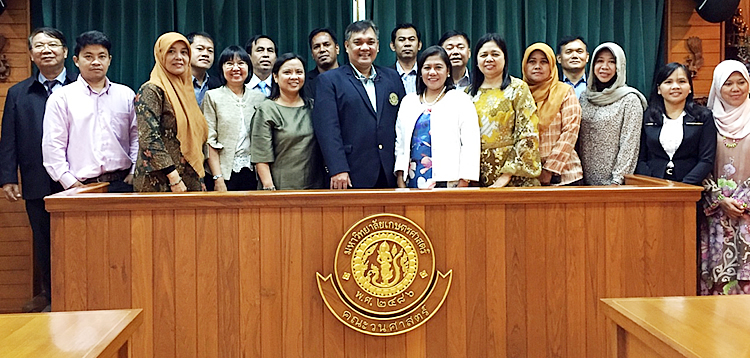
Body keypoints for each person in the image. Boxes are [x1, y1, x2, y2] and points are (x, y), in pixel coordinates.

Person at [0, 27, 75, 311]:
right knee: (44, 241)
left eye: (53, 44)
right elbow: (10, 137)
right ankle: (52, 296)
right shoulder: (19, 93)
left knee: (79, 238)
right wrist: (8, 176)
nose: (46, 50)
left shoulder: (80, 89)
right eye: (39, 45)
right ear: (31, 54)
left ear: (66, 53)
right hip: (37, 179)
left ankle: (81, 292)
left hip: (77, 179)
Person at [312, 20, 406, 189]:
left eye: (370, 42)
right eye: (358, 43)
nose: (364, 48)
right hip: (350, 173)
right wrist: (338, 168)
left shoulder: (392, 78)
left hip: (390, 171)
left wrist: (402, 168)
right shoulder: (329, 81)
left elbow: (403, 125)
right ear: (347, 46)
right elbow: (327, 129)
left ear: (377, 46)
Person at [42, 30, 137, 193]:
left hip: (123, 183)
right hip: (80, 186)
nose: (96, 62)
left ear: (109, 60)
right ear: (76, 60)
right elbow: (53, 145)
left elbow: (136, 136)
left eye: (102, 56)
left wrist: (134, 171)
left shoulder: (126, 95)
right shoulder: (61, 98)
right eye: (88, 56)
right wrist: (70, 182)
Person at [394, 46, 479, 188]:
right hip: (413, 180)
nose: (432, 72)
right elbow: (400, 143)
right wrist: (400, 175)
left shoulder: (460, 100)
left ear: (448, 71)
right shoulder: (409, 102)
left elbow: (471, 144)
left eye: (438, 67)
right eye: (427, 68)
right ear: (420, 72)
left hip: (450, 182)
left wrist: (464, 180)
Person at [133, 32, 208, 192]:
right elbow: (149, 139)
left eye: (184, 52)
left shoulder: (186, 92)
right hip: (161, 182)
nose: (179, 57)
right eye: (171, 51)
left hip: (189, 179)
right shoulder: (151, 90)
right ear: (160, 55)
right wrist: (173, 178)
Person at [701, 59, 750, 295]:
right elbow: (700, 164)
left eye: (741, 82)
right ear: (717, 87)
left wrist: (742, 201)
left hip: (747, 213)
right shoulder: (707, 120)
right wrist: (720, 199)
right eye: (728, 83)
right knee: (719, 280)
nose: (736, 88)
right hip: (716, 213)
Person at [469, 33, 541, 187]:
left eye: (495, 54)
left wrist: (506, 175)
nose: (489, 59)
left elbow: (528, 134)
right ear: (476, 60)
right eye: (484, 55)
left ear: (505, 58)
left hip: (515, 178)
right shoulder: (468, 95)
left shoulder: (518, 89)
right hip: (477, 177)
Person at [251, 53, 326, 190]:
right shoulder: (267, 109)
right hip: (279, 189)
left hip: (315, 188)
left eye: (299, 72)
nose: (294, 77)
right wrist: (269, 188)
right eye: (287, 72)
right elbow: (261, 156)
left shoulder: (314, 107)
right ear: (275, 77)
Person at [635, 62, 716, 185]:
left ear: (689, 88)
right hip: (652, 187)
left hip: (690, 188)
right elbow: (641, 158)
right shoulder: (648, 117)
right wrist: (652, 183)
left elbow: (706, 160)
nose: (675, 86)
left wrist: (684, 187)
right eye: (668, 82)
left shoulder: (703, 117)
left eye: (682, 81)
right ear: (659, 89)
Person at [578, 42, 646, 186]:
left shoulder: (630, 99)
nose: (604, 66)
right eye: (600, 61)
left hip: (613, 185)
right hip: (582, 183)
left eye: (612, 62)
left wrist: (617, 181)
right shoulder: (585, 97)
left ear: (620, 66)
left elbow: (629, 144)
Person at [202, 46, 266, 191]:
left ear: (248, 68)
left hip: (253, 172)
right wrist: (217, 178)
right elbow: (209, 139)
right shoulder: (212, 96)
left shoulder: (260, 98)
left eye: (241, 63)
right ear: (222, 69)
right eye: (229, 63)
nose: (235, 68)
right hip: (222, 173)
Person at [522, 43, 583, 186]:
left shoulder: (565, 91)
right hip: (528, 179)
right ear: (524, 65)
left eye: (544, 61)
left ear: (552, 65)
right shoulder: (519, 93)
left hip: (566, 176)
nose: (537, 66)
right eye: (532, 61)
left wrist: (549, 169)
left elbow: (570, 132)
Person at [187, 32, 220, 106]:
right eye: (200, 49)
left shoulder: (218, 84)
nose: (205, 54)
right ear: (186, 51)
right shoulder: (176, 82)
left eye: (210, 51)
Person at [390, 23, 422, 94]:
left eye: (411, 39)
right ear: (393, 46)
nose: (407, 44)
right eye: (402, 40)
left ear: (419, 45)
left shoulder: (427, 74)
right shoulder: (385, 76)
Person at [306, 28, 339, 96]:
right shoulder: (304, 83)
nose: (322, 50)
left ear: (337, 49)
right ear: (312, 54)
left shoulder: (351, 77)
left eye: (326, 45)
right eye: (316, 47)